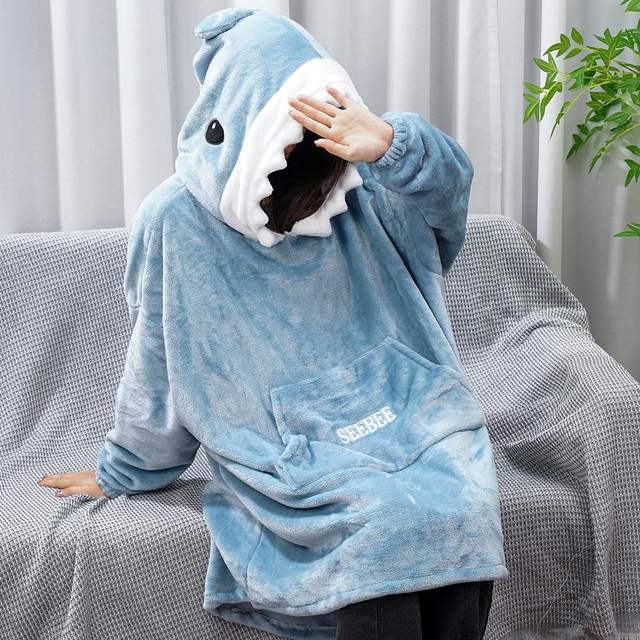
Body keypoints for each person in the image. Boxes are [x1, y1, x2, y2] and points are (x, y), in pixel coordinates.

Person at [37, 7, 507, 640]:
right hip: (279, 436)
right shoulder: (176, 220)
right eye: (285, 130)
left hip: (410, 408)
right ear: (231, 123)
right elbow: (158, 359)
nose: (299, 152)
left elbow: (448, 201)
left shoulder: (366, 185)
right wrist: (125, 471)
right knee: (383, 523)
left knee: (459, 506)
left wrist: (392, 144)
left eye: (315, 130)